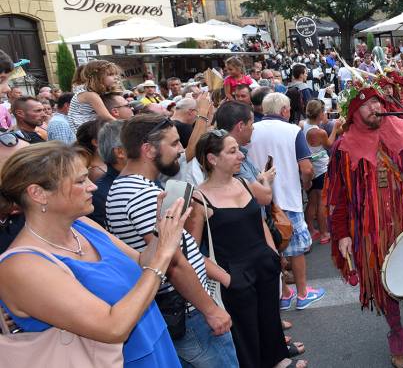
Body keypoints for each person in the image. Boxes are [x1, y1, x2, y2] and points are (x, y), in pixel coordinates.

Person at [0, 142, 188, 367]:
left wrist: (160, 233)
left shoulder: (82, 225)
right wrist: (163, 255)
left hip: (155, 347)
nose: (93, 187)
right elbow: (113, 327)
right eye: (80, 181)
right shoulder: (22, 267)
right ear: (38, 194)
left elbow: (140, 263)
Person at [327, 80, 403, 368]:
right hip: (371, 231)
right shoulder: (344, 148)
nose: (376, 107)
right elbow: (339, 196)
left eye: (378, 102)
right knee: (384, 281)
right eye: (369, 103)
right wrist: (342, 233)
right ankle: (397, 333)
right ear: (355, 111)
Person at [107, 114, 239, 367]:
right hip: (190, 314)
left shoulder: (128, 186)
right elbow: (172, 261)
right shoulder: (142, 194)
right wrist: (210, 310)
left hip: (185, 310)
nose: (181, 150)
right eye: (174, 143)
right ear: (148, 149)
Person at [193, 131, 305, 368]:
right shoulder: (199, 199)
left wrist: (272, 253)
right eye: (232, 151)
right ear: (212, 159)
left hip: (263, 264)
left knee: (269, 317)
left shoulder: (244, 182)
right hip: (234, 273)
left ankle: (278, 360)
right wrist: (227, 279)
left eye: (239, 150)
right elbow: (191, 250)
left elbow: (260, 220)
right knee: (245, 330)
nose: (240, 156)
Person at [245, 93, 324, 310]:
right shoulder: (292, 130)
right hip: (288, 198)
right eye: (288, 109)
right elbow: (307, 168)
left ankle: (284, 293)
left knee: (272, 249)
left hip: (259, 197)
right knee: (296, 249)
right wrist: (306, 185)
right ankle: (302, 293)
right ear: (283, 111)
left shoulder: (251, 130)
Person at [301, 99, 339, 244]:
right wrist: (335, 127)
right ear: (320, 114)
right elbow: (330, 145)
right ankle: (324, 233)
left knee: (312, 201)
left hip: (310, 168)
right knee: (322, 202)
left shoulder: (303, 125)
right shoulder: (320, 132)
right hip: (320, 169)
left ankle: (311, 229)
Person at [68, 60, 120, 131]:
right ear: (98, 77)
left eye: (115, 74)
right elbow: (106, 116)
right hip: (84, 132)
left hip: (88, 128)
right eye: (110, 74)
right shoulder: (90, 94)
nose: (115, 77)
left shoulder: (89, 92)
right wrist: (123, 126)